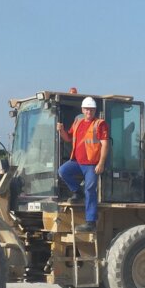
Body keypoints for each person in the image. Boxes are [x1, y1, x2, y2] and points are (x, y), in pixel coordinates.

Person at [57, 97, 110, 232]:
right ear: (82, 110)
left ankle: (90, 222)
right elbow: (68, 138)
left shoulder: (100, 124)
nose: (89, 112)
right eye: (87, 109)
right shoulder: (78, 123)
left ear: (95, 110)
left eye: (91, 110)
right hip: (77, 161)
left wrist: (101, 163)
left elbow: (105, 145)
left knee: (90, 189)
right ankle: (77, 192)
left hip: (91, 164)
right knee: (63, 171)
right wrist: (61, 130)